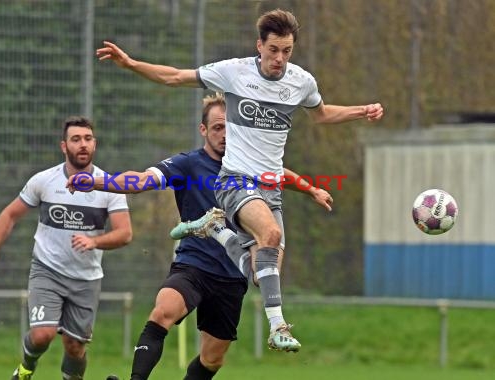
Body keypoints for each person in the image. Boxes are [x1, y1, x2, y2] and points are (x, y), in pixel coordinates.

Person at [95, 8, 383, 352]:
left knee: (261, 273)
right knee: (271, 235)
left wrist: (360, 111)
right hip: (234, 182)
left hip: (269, 189)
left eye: (287, 51)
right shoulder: (234, 73)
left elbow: (321, 114)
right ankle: (278, 327)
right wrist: (131, 64)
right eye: (273, 50)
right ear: (259, 45)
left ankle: (214, 229)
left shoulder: (301, 82)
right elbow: (174, 77)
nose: (279, 59)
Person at [66, 93, 332, 379]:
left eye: (230, 126)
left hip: (232, 275)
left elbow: (282, 174)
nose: (225, 134)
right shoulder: (187, 165)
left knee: (213, 359)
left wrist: (312, 189)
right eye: (217, 127)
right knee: (162, 312)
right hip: (194, 264)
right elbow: (140, 180)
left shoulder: (250, 166)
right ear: (203, 130)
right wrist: (97, 181)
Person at [0, 116, 133, 380]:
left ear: (94, 144)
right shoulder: (44, 180)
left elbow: (125, 233)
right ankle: (26, 368)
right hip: (47, 270)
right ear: (64, 146)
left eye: (87, 139)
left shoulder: (110, 186)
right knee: (43, 334)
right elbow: (10, 215)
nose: (82, 145)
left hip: (86, 278)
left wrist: (95, 241)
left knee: (75, 347)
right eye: (76, 139)